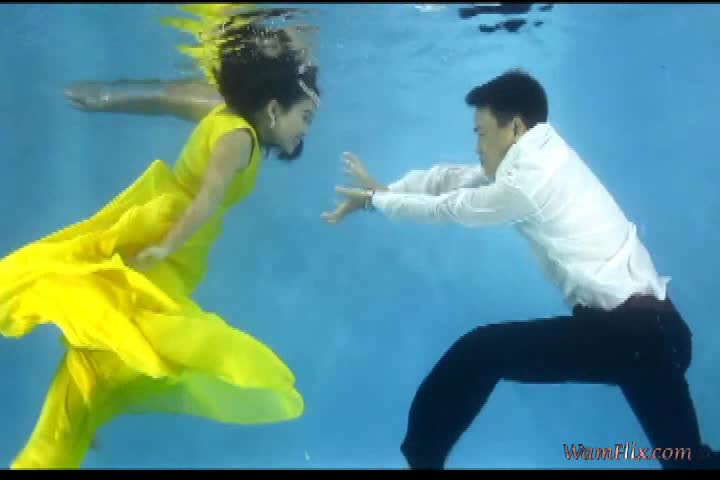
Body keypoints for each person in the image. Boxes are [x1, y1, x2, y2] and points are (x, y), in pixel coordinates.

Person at [323, 69, 718, 470]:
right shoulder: (544, 155)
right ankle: (423, 457)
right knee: (688, 462)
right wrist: (390, 191)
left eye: (481, 133)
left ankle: (422, 459)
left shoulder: (529, 181)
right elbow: (456, 179)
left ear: (514, 127)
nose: (477, 145)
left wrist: (374, 201)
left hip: (636, 338)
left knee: (481, 352)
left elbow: (453, 207)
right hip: (649, 336)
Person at [0, 5, 320, 469]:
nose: (306, 131)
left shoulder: (225, 114)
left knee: (118, 310)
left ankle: (86, 406)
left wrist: (109, 98)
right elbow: (207, 198)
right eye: (305, 116)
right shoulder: (239, 138)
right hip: (170, 234)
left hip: (171, 233)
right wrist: (166, 246)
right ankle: (90, 396)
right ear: (274, 108)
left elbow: (170, 98)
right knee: (131, 317)